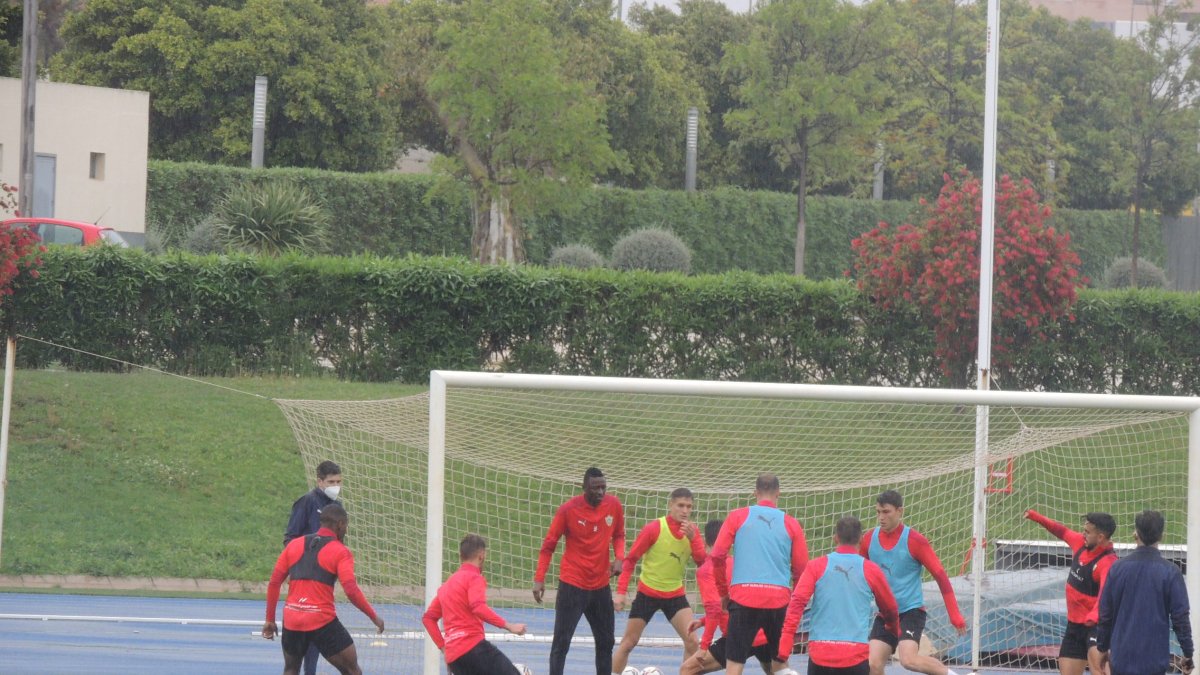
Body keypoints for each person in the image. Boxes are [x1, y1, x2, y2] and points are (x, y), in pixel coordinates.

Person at [262, 503, 385, 675]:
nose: (346, 530)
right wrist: (374, 616)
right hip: (322, 620)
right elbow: (351, 590)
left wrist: (270, 619)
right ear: (340, 524)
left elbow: (274, 582)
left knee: (291, 669)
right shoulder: (341, 552)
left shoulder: (294, 545)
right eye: (346, 526)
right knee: (352, 670)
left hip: (292, 618)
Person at [711, 473, 809, 675]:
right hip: (778, 600)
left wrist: (723, 592)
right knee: (780, 664)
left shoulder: (737, 516)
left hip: (744, 597)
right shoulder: (791, 523)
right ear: (778, 493)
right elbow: (801, 569)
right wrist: (794, 601)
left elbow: (718, 555)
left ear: (755, 492)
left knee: (735, 664)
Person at [860, 490, 966, 675]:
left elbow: (941, 577)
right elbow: (857, 574)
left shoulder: (915, 541)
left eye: (886, 512)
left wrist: (954, 615)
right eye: (878, 512)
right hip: (885, 614)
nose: (881, 517)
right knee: (873, 664)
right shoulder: (868, 539)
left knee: (908, 660)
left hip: (911, 612)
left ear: (900, 511)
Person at [777, 516, 901, 675]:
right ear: (861, 539)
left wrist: (785, 644)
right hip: (854, 656)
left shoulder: (816, 566)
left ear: (835, 538)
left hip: (820, 655)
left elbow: (797, 603)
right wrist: (893, 629)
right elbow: (890, 609)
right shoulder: (871, 570)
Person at [534, 467, 626, 675]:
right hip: (572, 586)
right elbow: (549, 545)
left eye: (603, 487)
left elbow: (619, 534)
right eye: (595, 488)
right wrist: (539, 578)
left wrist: (619, 557)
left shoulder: (613, 505)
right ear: (584, 487)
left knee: (606, 642)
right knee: (561, 643)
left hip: (600, 587)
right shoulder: (568, 510)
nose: (600, 492)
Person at [682, 520, 795, 675]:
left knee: (688, 669)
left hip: (738, 635)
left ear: (705, 542)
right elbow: (734, 605)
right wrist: (702, 621)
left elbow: (716, 610)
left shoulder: (706, 570)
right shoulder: (742, 565)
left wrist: (703, 647)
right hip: (763, 633)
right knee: (776, 671)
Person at [612, 488, 706, 673]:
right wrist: (621, 592)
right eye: (680, 505)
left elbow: (702, 562)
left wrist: (694, 539)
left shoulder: (692, 532)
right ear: (671, 505)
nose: (685, 510)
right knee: (629, 643)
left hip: (675, 594)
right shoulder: (654, 528)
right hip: (648, 593)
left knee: (693, 641)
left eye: (689, 507)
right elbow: (630, 560)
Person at [1097, 509, 1194, 675]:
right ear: (1161, 536)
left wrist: (1102, 647)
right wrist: (1188, 653)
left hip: (1121, 659)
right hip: (1153, 662)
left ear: (1136, 533)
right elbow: (1180, 617)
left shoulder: (1117, 569)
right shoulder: (1171, 572)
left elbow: (1105, 613)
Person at [1025, 508, 1118, 675]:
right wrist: (1035, 516)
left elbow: (1105, 595)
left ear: (1100, 537)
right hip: (1074, 626)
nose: (1083, 534)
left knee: (1098, 669)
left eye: (1087, 532)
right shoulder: (1080, 543)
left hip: (1096, 627)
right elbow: (1060, 530)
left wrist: (1093, 616)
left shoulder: (1108, 562)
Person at [423, 534, 528, 675]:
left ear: (461, 556)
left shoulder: (447, 585)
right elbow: (477, 607)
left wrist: (444, 649)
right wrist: (509, 626)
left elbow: (428, 618)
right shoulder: (474, 577)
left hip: (455, 658)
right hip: (473, 648)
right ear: (481, 555)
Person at [283, 459, 344, 675]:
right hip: (304, 577)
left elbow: (339, 542)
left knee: (318, 628)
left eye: (338, 482)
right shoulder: (307, 502)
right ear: (319, 481)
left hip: (324, 578)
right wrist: (300, 563)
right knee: (302, 633)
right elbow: (290, 538)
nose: (335, 486)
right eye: (331, 482)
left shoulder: (338, 507)